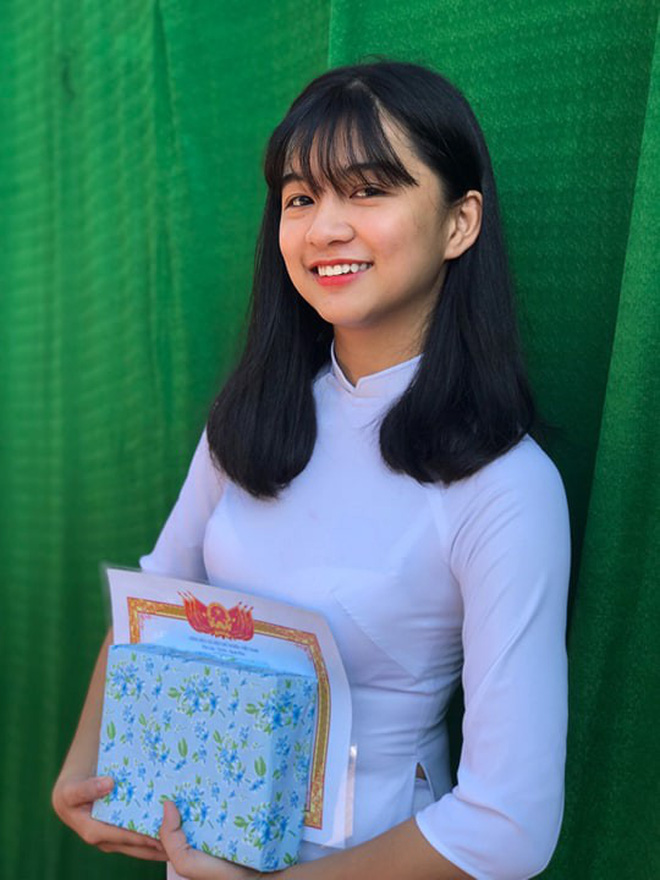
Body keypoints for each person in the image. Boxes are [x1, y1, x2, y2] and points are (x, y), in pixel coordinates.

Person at [52, 60, 571, 880]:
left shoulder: (508, 486)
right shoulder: (252, 420)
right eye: (300, 198)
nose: (324, 227)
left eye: (368, 190)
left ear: (459, 222)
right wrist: (85, 767)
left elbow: (509, 823)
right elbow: (156, 598)